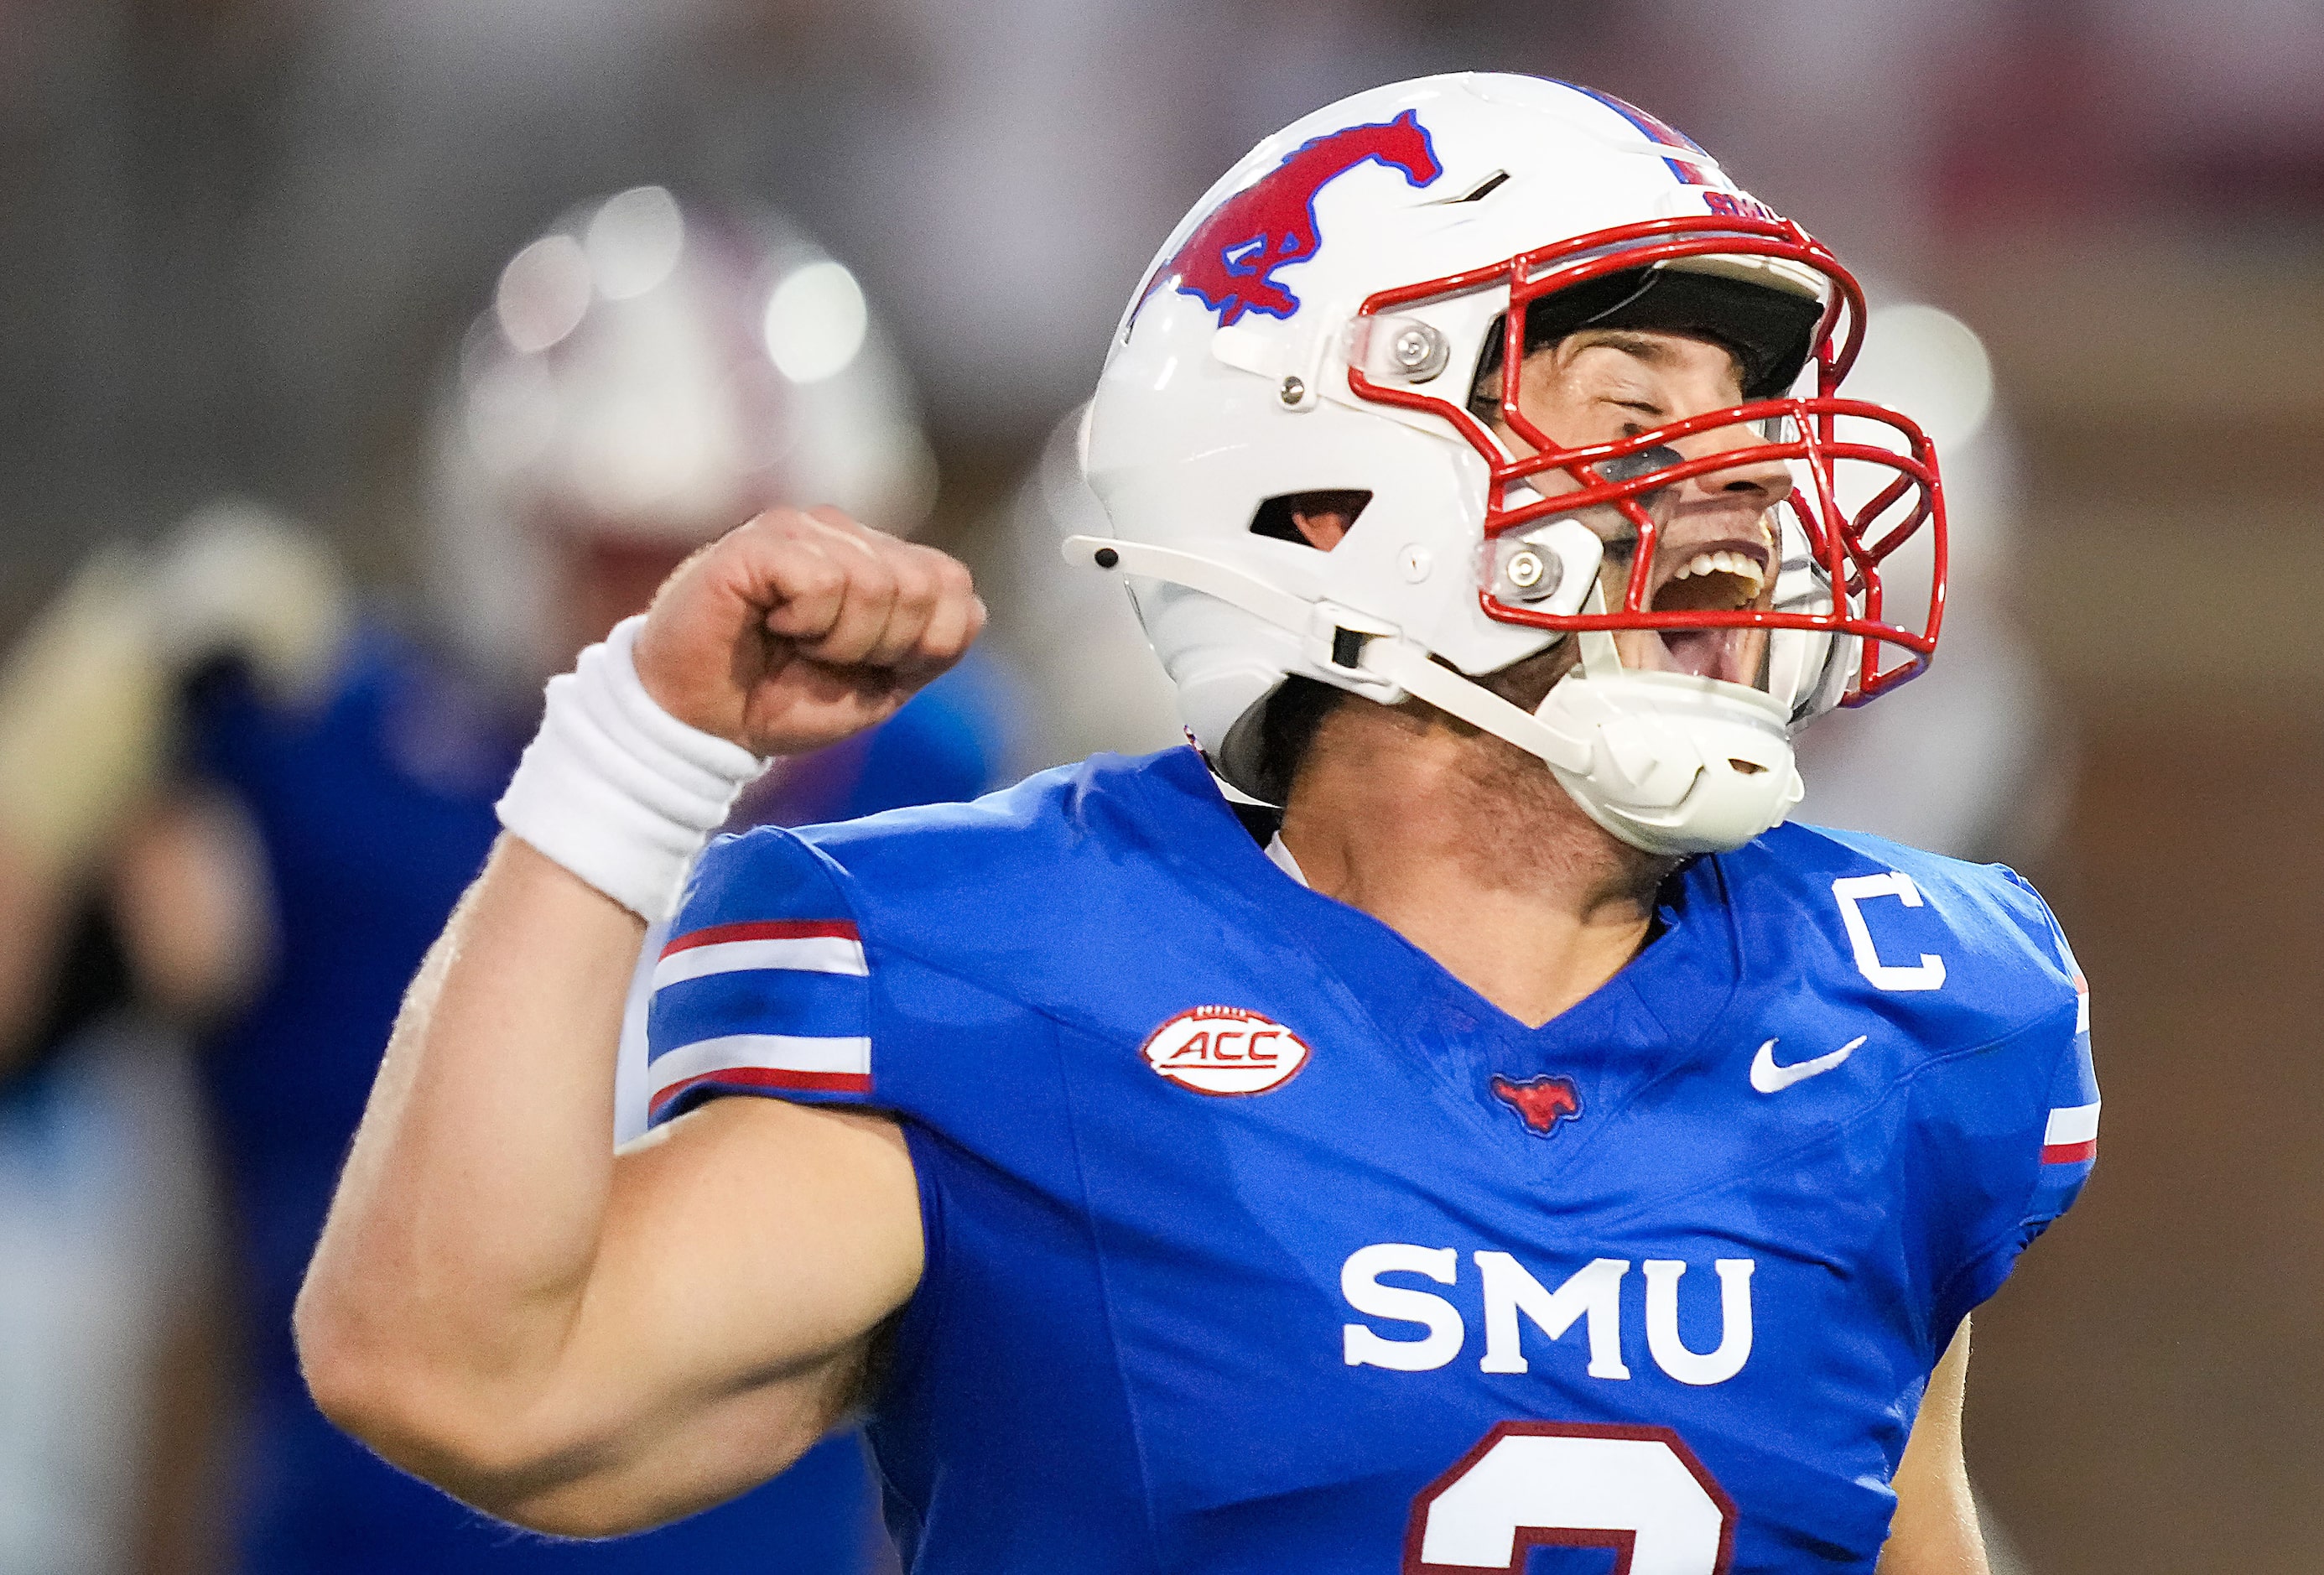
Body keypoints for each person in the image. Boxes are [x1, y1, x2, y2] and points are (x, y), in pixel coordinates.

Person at [297, 76, 2098, 1573]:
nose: (1730, 506)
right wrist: (628, 759)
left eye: (1744, 437)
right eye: (1633, 419)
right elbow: (464, 1376)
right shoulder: (1019, 980)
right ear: (1323, 501)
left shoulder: (1907, 1011)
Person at [0, 190, 1013, 1572]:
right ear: (512, 529)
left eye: (745, 549)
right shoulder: (319, 753)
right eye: (631, 553)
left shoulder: (938, 783)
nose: (698, 604)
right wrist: (50, 767)